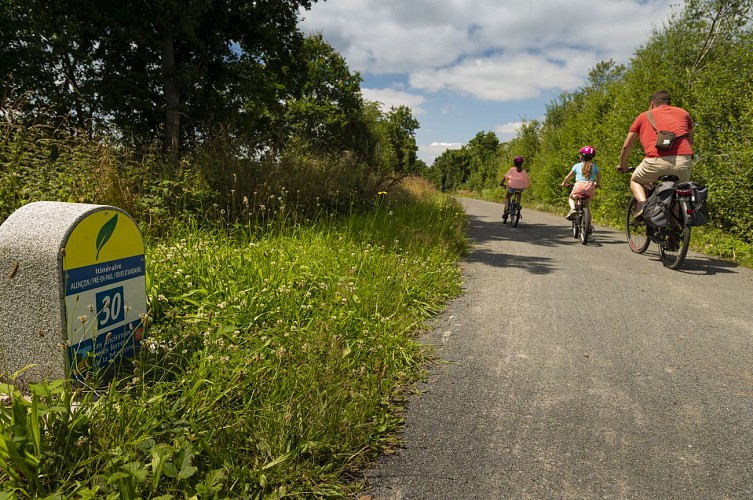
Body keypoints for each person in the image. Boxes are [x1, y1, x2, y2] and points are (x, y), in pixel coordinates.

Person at [617, 90, 694, 222]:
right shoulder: (684, 113)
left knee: (635, 180)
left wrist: (623, 164)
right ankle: (675, 233)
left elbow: (626, 146)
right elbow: (690, 140)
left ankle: (642, 204)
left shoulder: (643, 116)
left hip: (655, 161)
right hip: (683, 161)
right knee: (677, 192)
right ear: (669, 103)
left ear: (652, 104)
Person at [561, 145, 601, 220]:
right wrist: (597, 184)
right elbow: (599, 176)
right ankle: (588, 226)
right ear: (592, 157)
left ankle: (573, 209)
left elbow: (567, 177)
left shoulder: (576, 166)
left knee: (571, 198)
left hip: (579, 186)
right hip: (590, 187)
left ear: (581, 156)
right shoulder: (594, 166)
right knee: (587, 207)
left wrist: (564, 183)